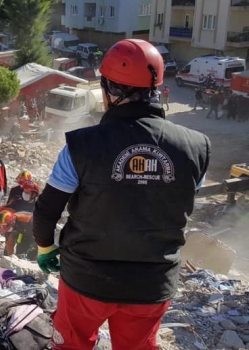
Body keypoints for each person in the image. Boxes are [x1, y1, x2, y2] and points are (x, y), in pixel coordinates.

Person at [32, 39, 209, 349]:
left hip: (86, 279)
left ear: (108, 89)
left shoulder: (80, 145)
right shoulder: (197, 147)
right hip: (152, 285)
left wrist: (46, 248)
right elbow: (183, 200)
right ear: (158, 86)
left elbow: (47, 209)